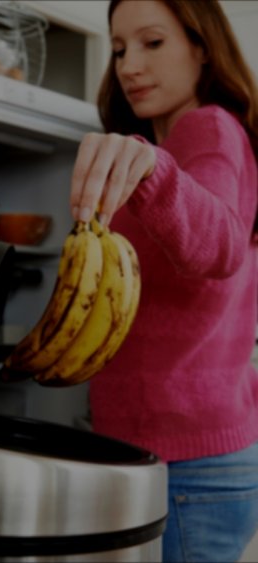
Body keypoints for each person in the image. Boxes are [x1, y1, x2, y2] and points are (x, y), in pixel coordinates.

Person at [69, 1, 258, 561]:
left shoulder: (208, 128)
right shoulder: (170, 145)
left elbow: (219, 241)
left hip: (190, 462)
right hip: (162, 450)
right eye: (120, 48)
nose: (129, 66)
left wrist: (153, 170)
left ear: (202, 47)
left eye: (152, 43)